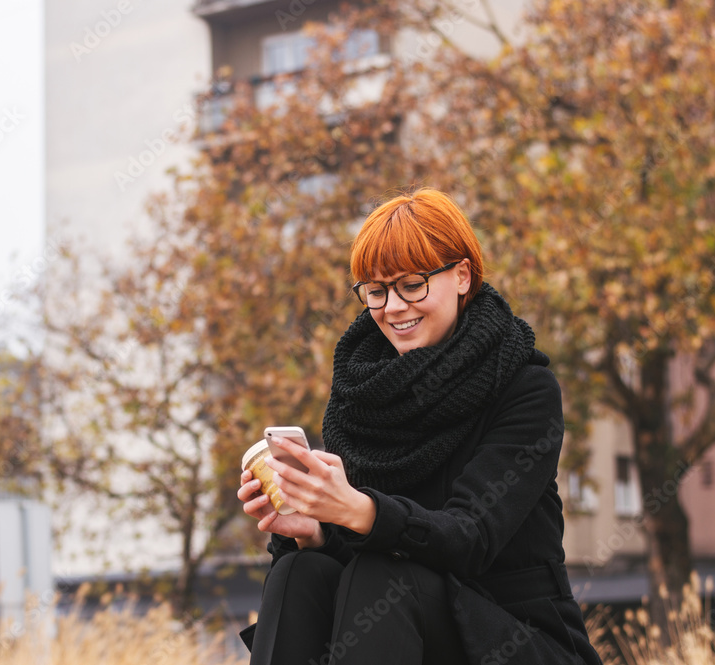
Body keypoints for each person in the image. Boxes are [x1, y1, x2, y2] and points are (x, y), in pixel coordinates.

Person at [237, 187, 602, 665]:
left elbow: (470, 539)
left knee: (384, 576)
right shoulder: (358, 400)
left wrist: (358, 509)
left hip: (516, 639)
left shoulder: (525, 387)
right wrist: (314, 532)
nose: (393, 307)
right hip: (398, 630)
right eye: (377, 290)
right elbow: (355, 573)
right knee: (299, 570)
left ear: (462, 276)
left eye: (412, 284)